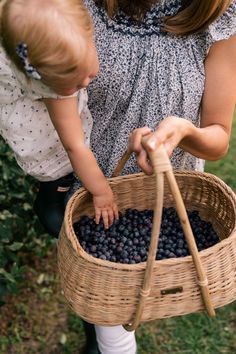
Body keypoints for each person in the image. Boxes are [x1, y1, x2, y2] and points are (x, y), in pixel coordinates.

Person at [68, 0, 236, 353]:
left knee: (131, 293)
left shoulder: (220, 16)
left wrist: (186, 132)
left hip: (170, 199)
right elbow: (54, 90)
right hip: (98, 189)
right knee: (104, 294)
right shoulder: (81, 7)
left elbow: (218, 136)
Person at [0, 0, 118, 353]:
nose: (86, 82)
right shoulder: (47, 77)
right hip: (54, 156)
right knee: (60, 203)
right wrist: (101, 193)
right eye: (77, 82)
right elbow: (75, 147)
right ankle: (57, 200)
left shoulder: (44, 28)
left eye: (87, 73)